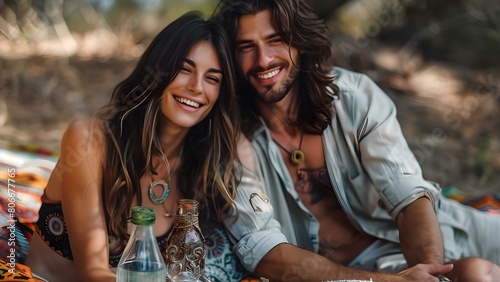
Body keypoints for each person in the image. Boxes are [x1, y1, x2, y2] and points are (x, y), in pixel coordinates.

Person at [213, 0, 500, 281]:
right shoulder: (231, 141)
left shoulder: (352, 97)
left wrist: (431, 273)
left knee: (484, 271)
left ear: (298, 42)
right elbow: (265, 252)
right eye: (246, 47)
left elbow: (408, 194)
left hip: (443, 233)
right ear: (230, 59)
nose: (263, 59)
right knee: (479, 273)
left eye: (275, 40)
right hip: (361, 272)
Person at [24, 12, 246, 282]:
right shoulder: (89, 140)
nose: (196, 87)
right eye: (185, 69)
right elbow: (92, 273)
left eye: (212, 79)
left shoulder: (198, 169)